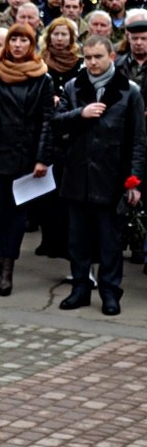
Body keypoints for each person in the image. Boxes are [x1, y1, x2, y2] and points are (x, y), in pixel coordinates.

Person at [54, 35, 145, 315]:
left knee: (110, 241)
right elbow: (56, 123)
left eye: (98, 57)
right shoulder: (73, 86)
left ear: (112, 57)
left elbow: (139, 140)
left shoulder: (129, 92)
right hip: (77, 175)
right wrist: (81, 113)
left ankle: (110, 292)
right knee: (77, 240)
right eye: (88, 57)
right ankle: (80, 288)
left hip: (111, 177)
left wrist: (135, 180)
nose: (92, 62)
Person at [0, 23, 54, 296]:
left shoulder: (42, 77)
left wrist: (42, 157)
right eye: (14, 40)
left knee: (16, 217)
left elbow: (47, 121)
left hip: (25, 156)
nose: (18, 45)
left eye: (24, 40)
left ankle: (7, 270)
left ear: (31, 45)